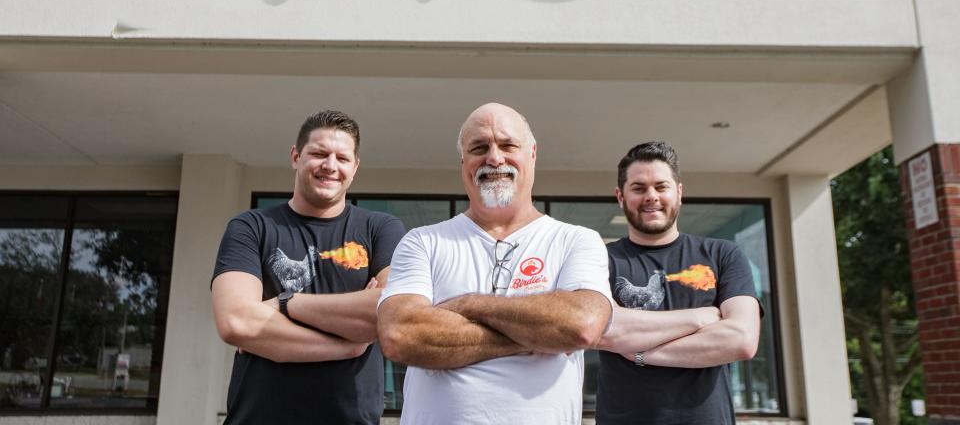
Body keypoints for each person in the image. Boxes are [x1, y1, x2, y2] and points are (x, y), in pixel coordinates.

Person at [377, 102, 613, 425]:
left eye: (507, 144)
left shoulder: (576, 241)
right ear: (463, 162)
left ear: (532, 154)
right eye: (479, 147)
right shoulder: (423, 242)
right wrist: (536, 337)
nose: (494, 157)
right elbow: (400, 335)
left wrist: (469, 304)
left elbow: (581, 325)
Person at [211, 110, 406, 425]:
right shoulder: (252, 226)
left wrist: (285, 304)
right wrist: (348, 345)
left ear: (354, 167)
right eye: (318, 154)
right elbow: (235, 321)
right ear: (295, 157)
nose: (330, 166)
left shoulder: (379, 229)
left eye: (342, 158)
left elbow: (391, 311)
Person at [595, 141, 762, 424]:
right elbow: (605, 333)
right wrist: (700, 318)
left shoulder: (723, 254)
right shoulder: (600, 260)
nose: (651, 196)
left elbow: (741, 340)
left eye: (661, 186)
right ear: (620, 197)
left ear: (679, 193)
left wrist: (639, 353)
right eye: (638, 188)